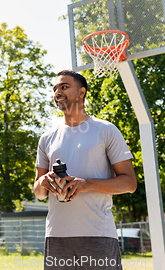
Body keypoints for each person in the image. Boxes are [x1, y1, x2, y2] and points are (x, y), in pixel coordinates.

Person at [33, 70, 137, 270]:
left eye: (64, 87)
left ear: (81, 92)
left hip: (98, 234)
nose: (57, 92)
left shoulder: (105, 130)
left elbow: (129, 183)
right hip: (56, 235)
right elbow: (38, 194)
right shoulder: (47, 138)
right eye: (55, 89)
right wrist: (43, 182)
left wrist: (86, 184)